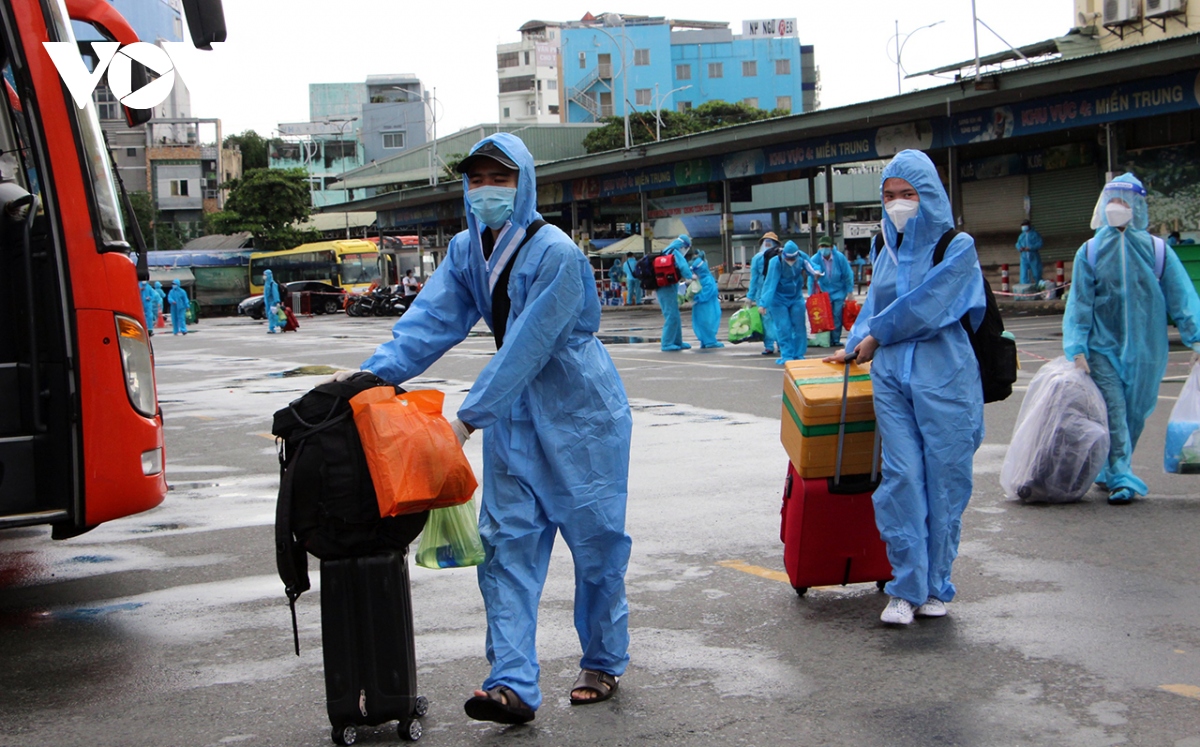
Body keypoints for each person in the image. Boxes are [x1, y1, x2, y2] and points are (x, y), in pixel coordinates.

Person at [348, 133, 631, 724]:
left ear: (524, 184)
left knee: (597, 547)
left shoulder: (555, 252)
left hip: (580, 412)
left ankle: (602, 660)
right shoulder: (466, 250)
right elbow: (429, 321)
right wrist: (365, 381)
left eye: (499, 179)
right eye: (476, 180)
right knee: (504, 551)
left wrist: (468, 419)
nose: (485, 191)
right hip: (513, 417)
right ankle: (511, 685)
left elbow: (530, 344)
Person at [826, 149, 986, 626]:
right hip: (891, 375)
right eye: (890, 195)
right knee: (901, 478)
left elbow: (929, 305)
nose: (898, 203)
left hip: (946, 376)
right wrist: (855, 344)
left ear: (929, 195)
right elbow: (877, 300)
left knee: (946, 481)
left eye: (908, 194)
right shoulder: (884, 246)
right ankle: (904, 587)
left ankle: (937, 584)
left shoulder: (958, 246)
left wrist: (876, 335)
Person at [1063, 174, 1200, 505]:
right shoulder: (1090, 251)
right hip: (1102, 348)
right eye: (1111, 200)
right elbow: (1079, 303)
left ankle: (1109, 468)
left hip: (1146, 352)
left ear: (1137, 207)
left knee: (1135, 414)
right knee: (1114, 409)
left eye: (1123, 201)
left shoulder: (1158, 251)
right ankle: (1122, 474)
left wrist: (1196, 338)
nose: (1116, 208)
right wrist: (1078, 346)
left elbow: (1182, 298)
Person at [759, 240, 822, 365]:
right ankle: (787, 354)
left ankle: (799, 354)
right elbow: (770, 284)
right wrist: (764, 303)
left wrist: (817, 273)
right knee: (783, 327)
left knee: (799, 326)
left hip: (796, 297)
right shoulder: (776, 262)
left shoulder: (801, 257)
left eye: (793, 258)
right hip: (778, 299)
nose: (791, 261)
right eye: (788, 258)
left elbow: (812, 267)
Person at [808, 236, 855, 347]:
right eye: (822, 246)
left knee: (837, 315)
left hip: (839, 290)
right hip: (823, 292)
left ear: (832, 247)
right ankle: (826, 339)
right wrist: (811, 295)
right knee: (825, 316)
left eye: (826, 246)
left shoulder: (839, 258)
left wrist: (850, 291)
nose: (824, 249)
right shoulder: (815, 259)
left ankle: (835, 339)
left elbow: (847, 274)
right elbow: (811, 278)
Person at [657, 234, 694, 351]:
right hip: (667, 287)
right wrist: (690, 277)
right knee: (671, 315)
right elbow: (683, 265)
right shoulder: (675, 252)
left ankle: (677, 341)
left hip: (665, 287)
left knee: (675, 315)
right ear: (684, 246)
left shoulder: (666, 251)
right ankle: (667, 343)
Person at [747, 232, 780, 356]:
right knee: (773, 320)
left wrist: (750, 296)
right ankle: (776, 344)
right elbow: (754, 278)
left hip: (769, 293)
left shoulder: (760, 258)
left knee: (771, 320)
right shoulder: (764, 258)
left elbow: (754, 279)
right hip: (769, 293)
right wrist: (750, 296)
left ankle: (772, 345)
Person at [687, 248, 724, 349]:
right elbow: (708, 293)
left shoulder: (701, 279)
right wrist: (698, 297)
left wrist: (695, 298)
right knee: (709, 322)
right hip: (707, 306)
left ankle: (705, 340)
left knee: (702, 323)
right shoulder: (707, 279)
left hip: (699, 305)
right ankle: (710, 341)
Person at [1016, 219, 1044, 285]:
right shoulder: (1021, 236)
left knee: (1037, 273)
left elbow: (1040, 243)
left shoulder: (1035, 234)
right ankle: (1024, 290)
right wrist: (1020, 248)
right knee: (1024, 275)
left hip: (1033, 256)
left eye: (1025, 225)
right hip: (1024, 257)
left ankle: (1039, 287)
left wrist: (1031, 248)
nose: (1024, 227)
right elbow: (1018, 244)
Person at [262, 269, 282, 334]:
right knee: (270, 315)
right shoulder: (266, 284)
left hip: (273, 303)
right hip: (268, 303)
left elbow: (275, 293)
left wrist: (277, 301)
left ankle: (272, 328)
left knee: (271, 315)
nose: (264, 276)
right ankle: (278, 325)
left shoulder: (272, 284)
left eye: (265, 275)